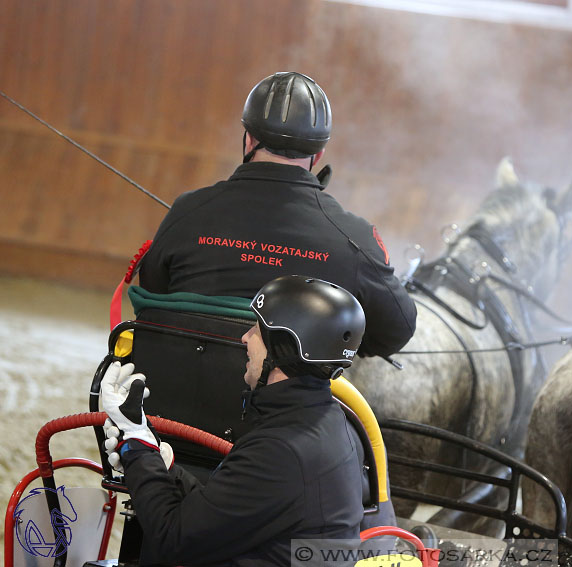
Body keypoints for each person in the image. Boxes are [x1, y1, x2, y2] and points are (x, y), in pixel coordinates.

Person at [139, 71, 416, 358]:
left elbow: (152, 295)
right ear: (318, 155)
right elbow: (397, 330)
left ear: (248, 140)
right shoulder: (355, 238)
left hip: (176, 387)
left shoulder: (187, 210)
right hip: (287, 401)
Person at [101, 276, 367, 566]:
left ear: (283, 349)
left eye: (257, 330)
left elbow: (172, 539)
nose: (245, 338)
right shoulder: (331, 422)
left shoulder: (280, 450)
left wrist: (137, 447)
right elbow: (227, 507)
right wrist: (160, 464)